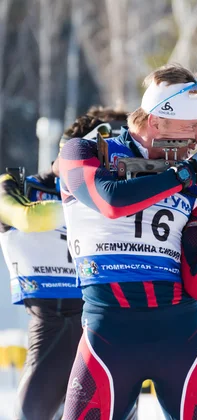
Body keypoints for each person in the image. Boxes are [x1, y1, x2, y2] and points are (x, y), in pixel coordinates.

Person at [59, 63, 197, 420]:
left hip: (181, 335)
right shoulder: (84, 152)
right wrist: (186, 174)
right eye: (191, 126)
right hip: (107, 333)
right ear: (156, 122)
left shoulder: (194, 180)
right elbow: (111, 201)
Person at [0, 107, 130, 420]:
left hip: (103, 329)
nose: (104, 167)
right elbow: (26, 217)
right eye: (99, 157)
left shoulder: (113, 193)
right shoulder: (17, 186)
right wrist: (91, 202)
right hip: (53, 330)